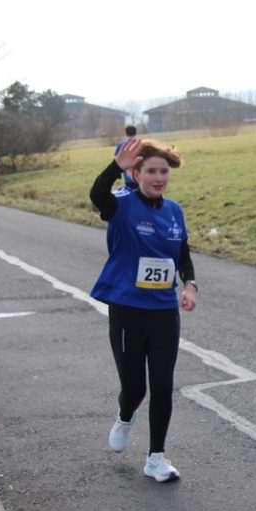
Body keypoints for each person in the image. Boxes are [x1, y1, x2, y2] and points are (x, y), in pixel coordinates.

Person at [90, 138, 198, 485]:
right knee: (135, 388)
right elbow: (97, 195)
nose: (159, 178)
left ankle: (156, 458)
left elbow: (182, 254)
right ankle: (125, 416)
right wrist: (114, 168)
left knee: (163, 385)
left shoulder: (174, 211)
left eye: (164, 172)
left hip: (164, 312)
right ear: (136, 174)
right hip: (128, 310)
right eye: (151, 171)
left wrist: (190, 285)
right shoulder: (121, 204)